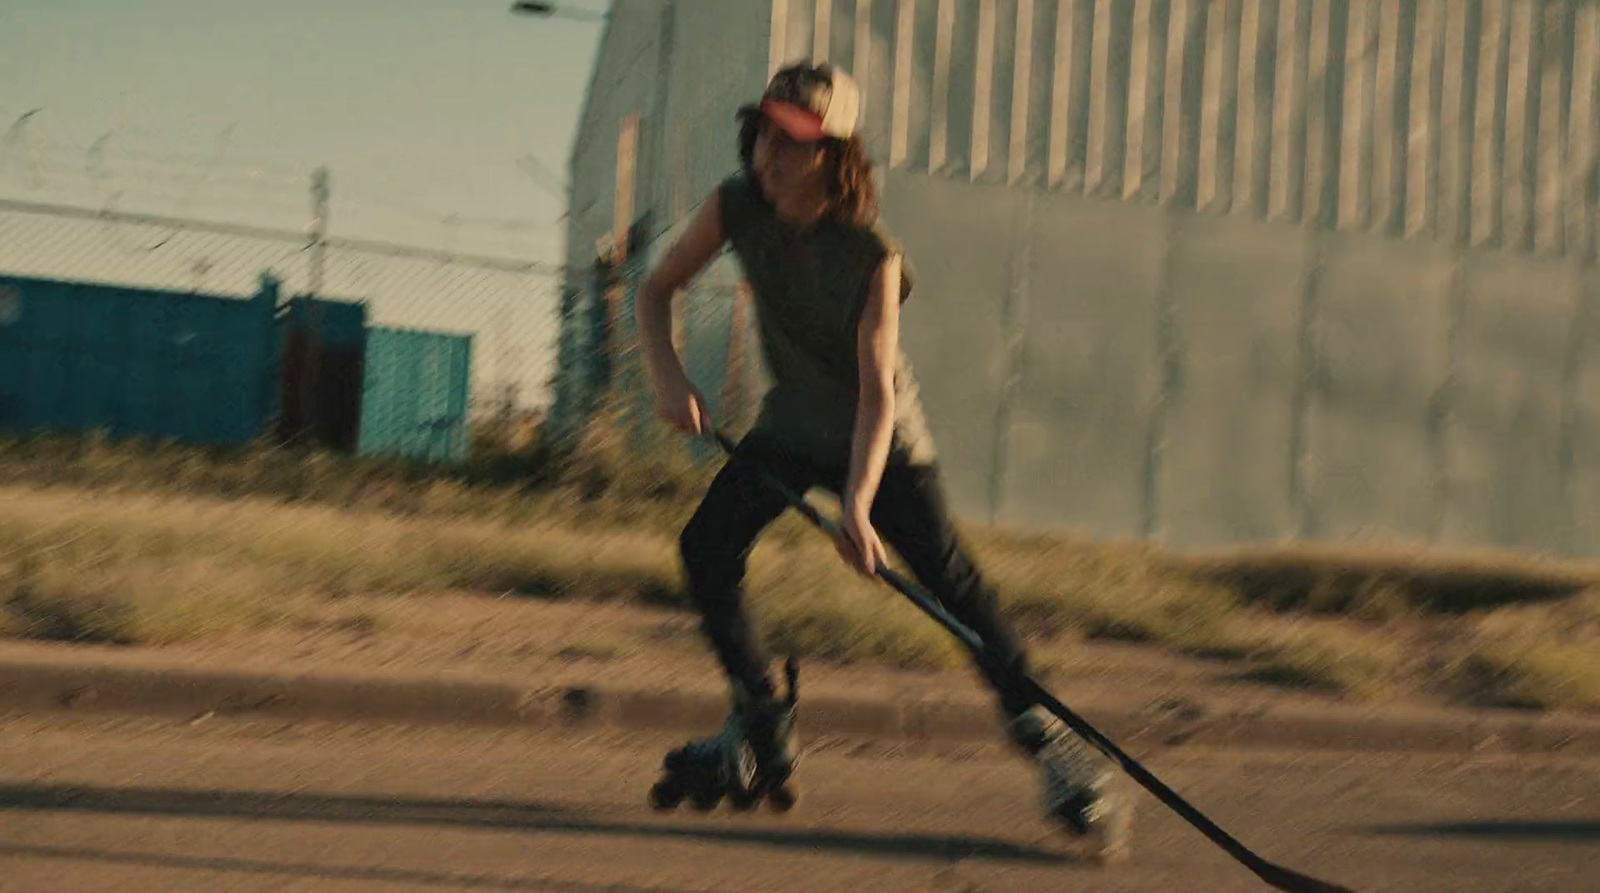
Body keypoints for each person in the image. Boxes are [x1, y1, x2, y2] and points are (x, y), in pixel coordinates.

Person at [634, 61, 1124, 842]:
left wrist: (858, 508)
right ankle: (761, 720)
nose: (771, 154)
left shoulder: (871, 253)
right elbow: (654, 290)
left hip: (882, 441)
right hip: (792, 425)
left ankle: (1053, 740)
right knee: (707, 544)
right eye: (766, 132)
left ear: (835, 154)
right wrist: (667, 374)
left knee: (951, 581)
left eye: (794, 142)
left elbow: (876, 392)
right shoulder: (734, 208)